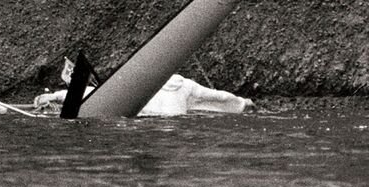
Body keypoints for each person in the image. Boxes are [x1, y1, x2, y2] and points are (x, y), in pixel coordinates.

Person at [34, 57, 252, 116]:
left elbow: (92, 93)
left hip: (153, 121)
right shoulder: (183, 84)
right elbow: (220, 97)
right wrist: (243, 103)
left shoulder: (136, 85)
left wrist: (53, 96)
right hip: (174, 122)